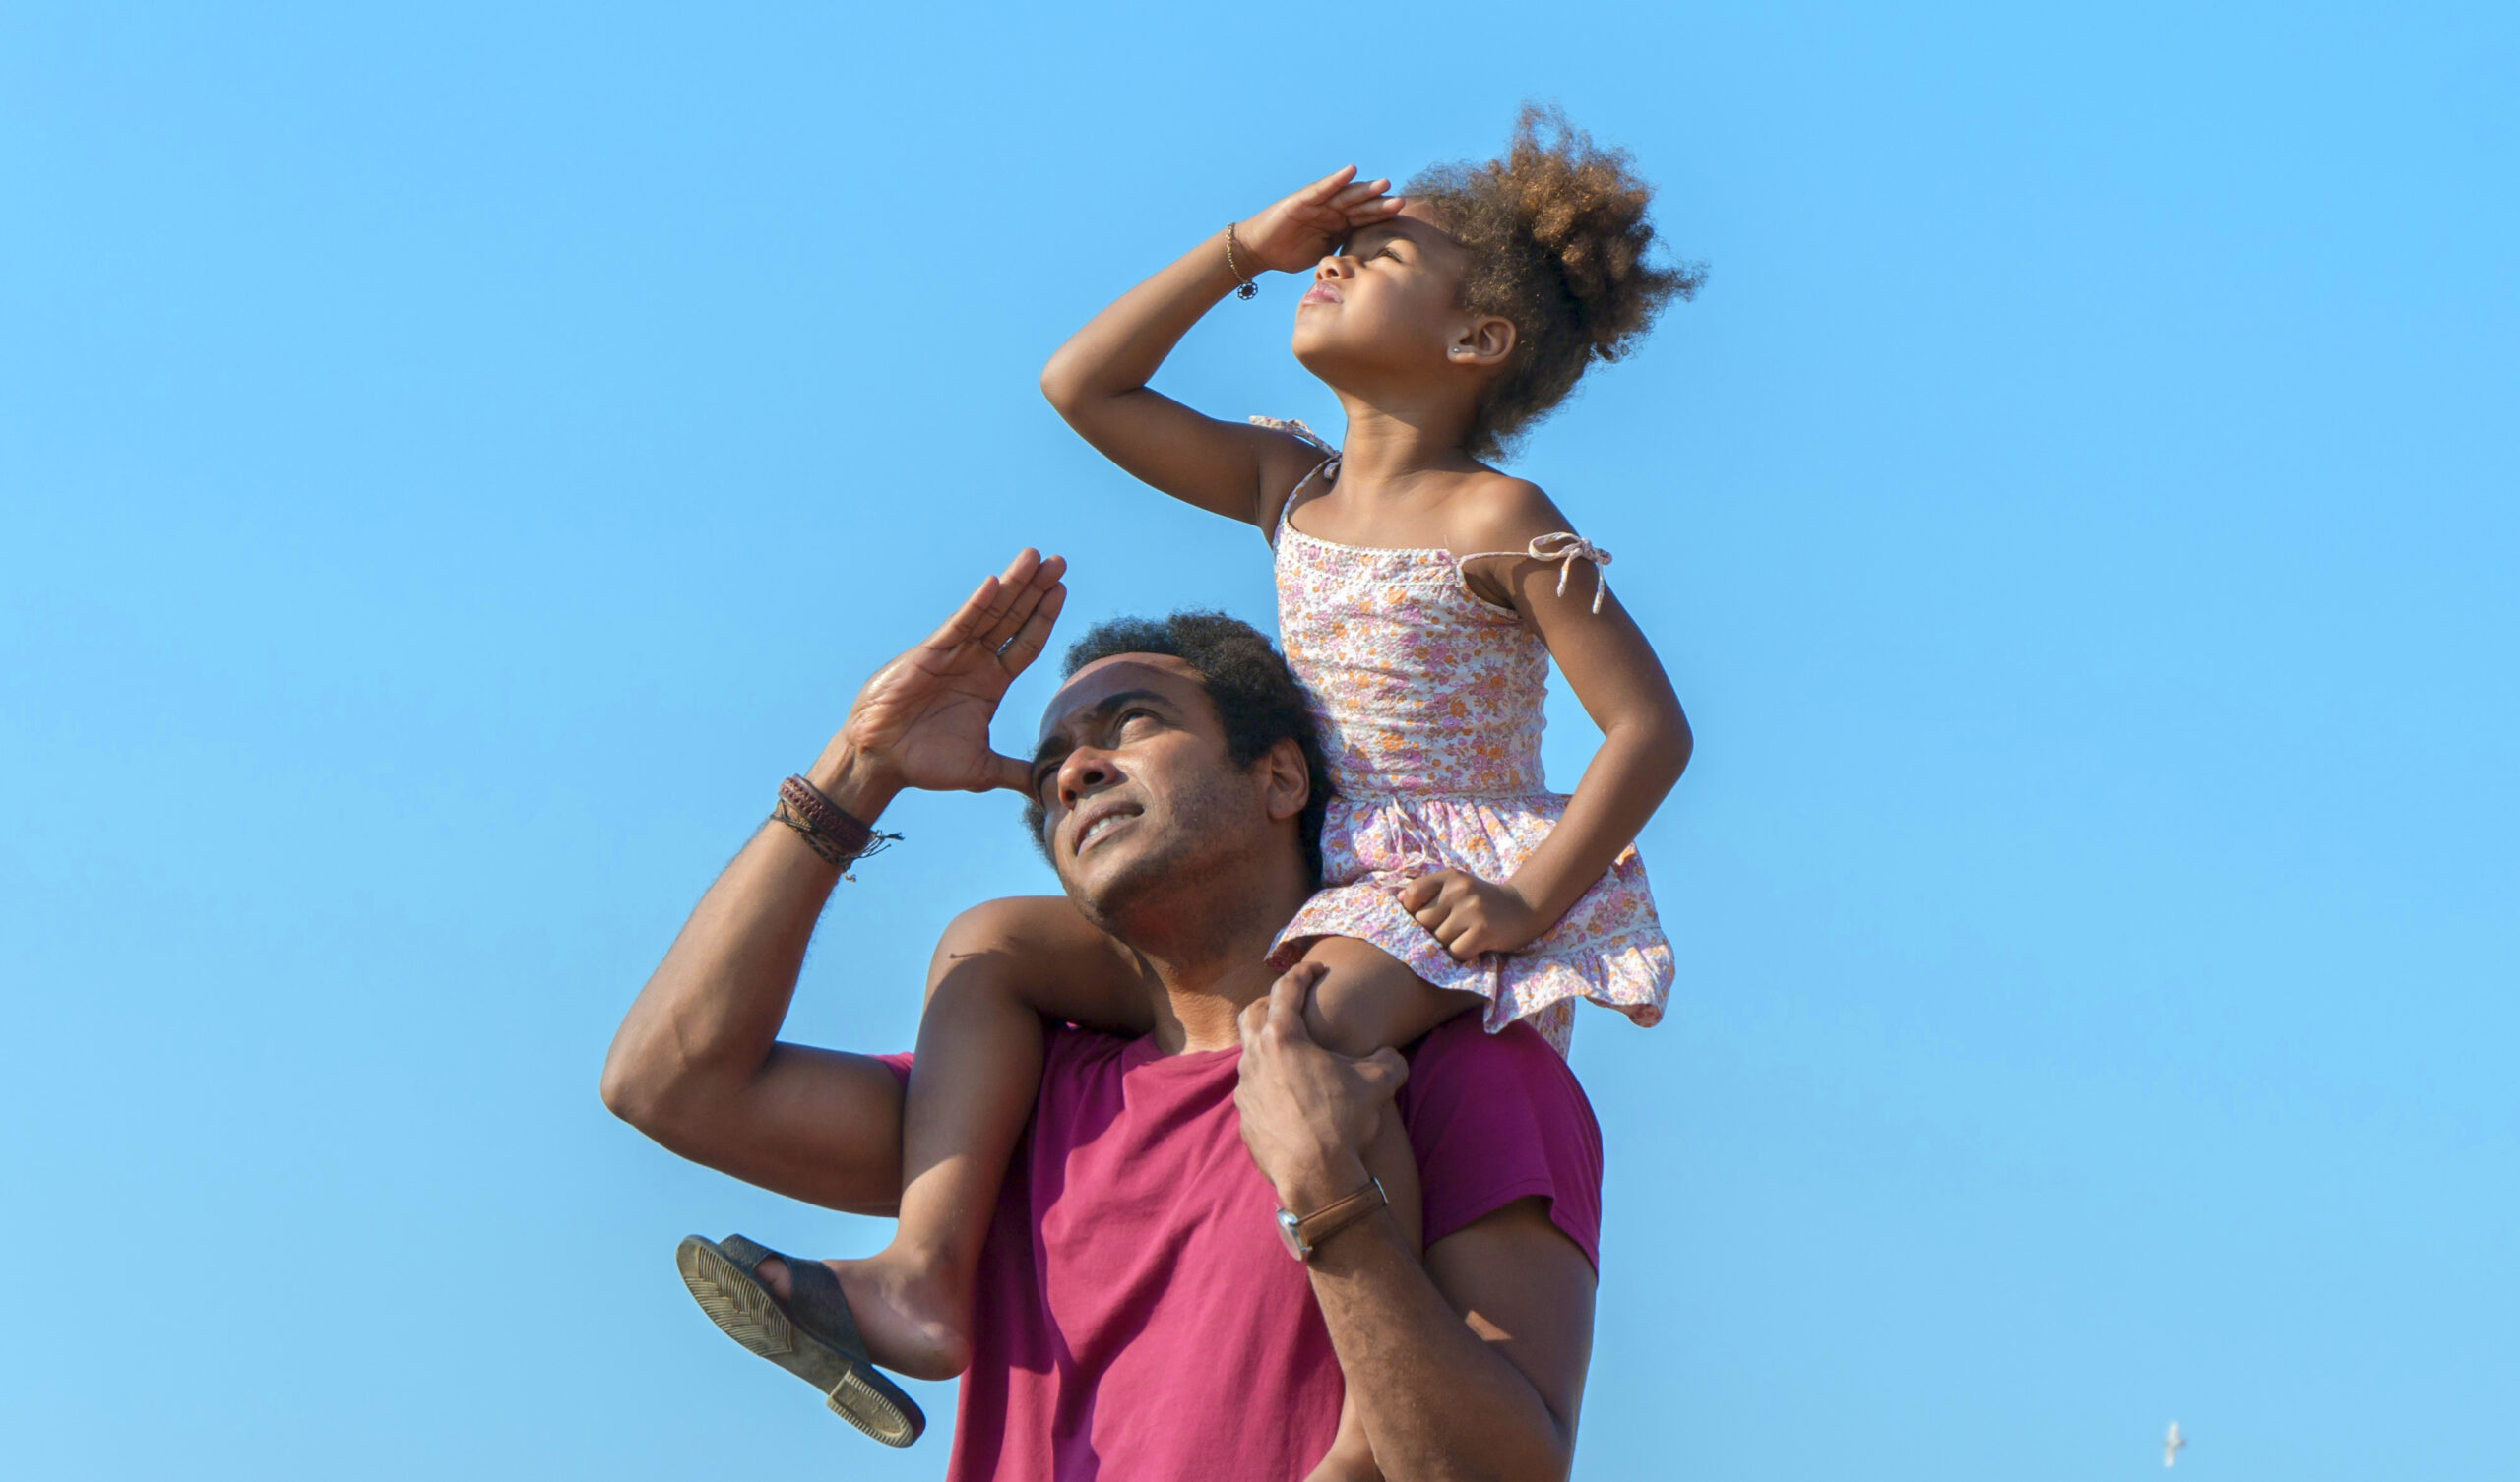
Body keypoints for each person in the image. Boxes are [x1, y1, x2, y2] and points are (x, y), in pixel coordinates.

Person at [828, 105, 1700, 1478]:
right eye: (1335, 249)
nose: (1334, 263)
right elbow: (1082, 386)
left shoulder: (1506, 519)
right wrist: (1243, 246)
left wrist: (1525, 900)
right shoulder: (1286, 483)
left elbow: (1651, 729)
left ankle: (1362, 1436)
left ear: (1479, 339)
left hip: (1433, 882)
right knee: (993, 944)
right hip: (1316, 868)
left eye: (1380, 254)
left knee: (1308, 1030)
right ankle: (920, 1273)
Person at [600, 551, 1604, 1482]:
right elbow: (669, 1084)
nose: (1075, 771)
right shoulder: (1009, 1094)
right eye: (1050, 772)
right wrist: (860, 767)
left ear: (1279, 776)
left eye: (1130, 725)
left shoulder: (1460, 1071)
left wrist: (1330, 1195)